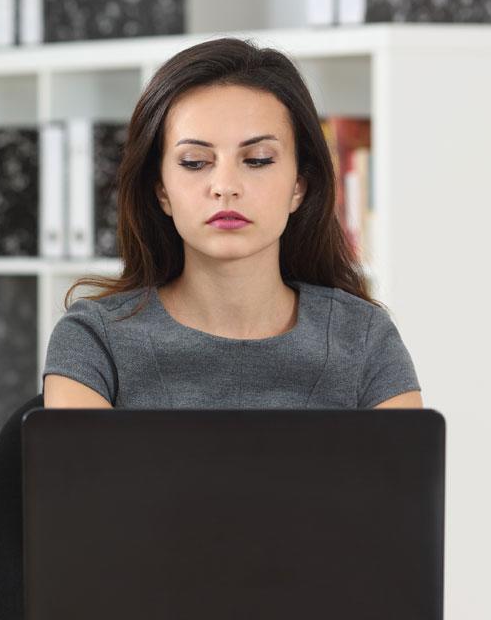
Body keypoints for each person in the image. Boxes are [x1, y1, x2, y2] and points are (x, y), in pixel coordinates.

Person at [44, 38, 421, 410]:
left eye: (257, 159)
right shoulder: (95, 340)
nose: (225, 187)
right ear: (161, 191)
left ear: (299, 187)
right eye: (194, 162)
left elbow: (406, 472)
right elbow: (80, 472)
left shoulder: (364, 338)